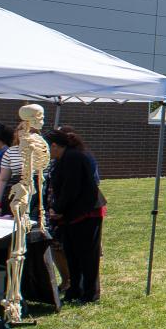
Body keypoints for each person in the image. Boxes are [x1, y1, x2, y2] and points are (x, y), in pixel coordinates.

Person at [45, 128, 104, 304]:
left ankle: (89, 293)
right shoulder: (63, 159)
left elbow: (71, 188)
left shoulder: (73, 157)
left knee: (86, 255)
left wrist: (57, 208)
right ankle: (74, 290)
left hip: (87, 213)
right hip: (72, 214)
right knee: (71, 253)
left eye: (46, 148)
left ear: (54, 146)